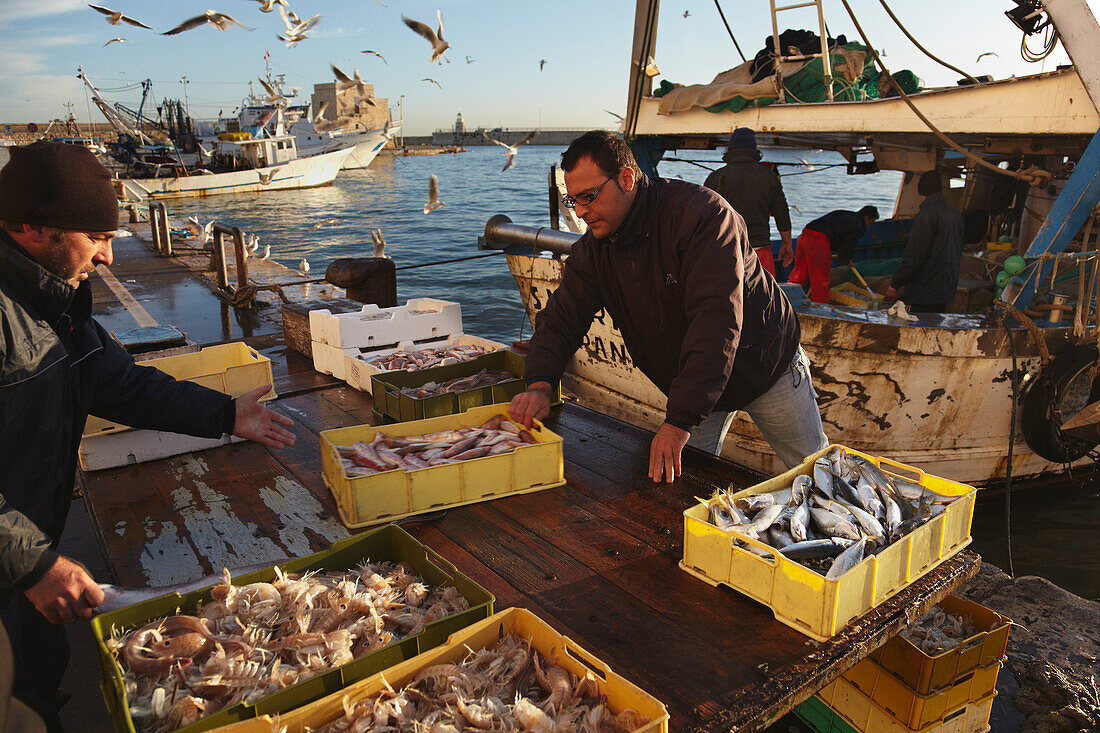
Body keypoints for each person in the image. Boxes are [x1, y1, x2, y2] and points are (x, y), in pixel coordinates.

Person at [0, 141, 297, 731]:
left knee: (38, 682)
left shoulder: (56, 305)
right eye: (96, 238)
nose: (110, 257)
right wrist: (32, 566)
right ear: (33, 229)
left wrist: (225, 413)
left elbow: (126, 386)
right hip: (18, 562)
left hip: (24, 561)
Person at [508, 130, 828, 484]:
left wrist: (677, 422)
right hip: (695, 379)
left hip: (764, 362)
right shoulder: (594, 251)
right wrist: (539, 382)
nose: (581, 213)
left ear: (627, 179)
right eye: (573, 201)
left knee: (816, 472)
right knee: (688, 482)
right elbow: (561, 319)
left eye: (589, 197)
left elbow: (715, 323)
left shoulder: (703, 218)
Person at [703, 128, 793, 276]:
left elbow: (703, 217)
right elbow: (781, 213)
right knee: (764, 297)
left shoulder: (715, 177)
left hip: (725, 251)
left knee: (728, 297)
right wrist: (787, 244)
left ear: (730, 150)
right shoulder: (769, 177)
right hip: (759, 252)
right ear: (754, 149)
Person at [886, 171, 964, 313]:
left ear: (921, 190)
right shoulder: (955, 214)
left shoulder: (927, 213)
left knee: (917, 326)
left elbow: (916, 254)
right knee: (934, 326)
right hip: (946, 286)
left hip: (925, 289)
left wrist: (895, 283)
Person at [788, 205, 879, 303]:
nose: (869, 226)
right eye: (870, 223)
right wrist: (847, 261)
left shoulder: (845, 214)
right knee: (820, 280)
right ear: (866, 217)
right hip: (819, 241)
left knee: (799, 272)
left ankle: (787, 299)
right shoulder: (859, 225)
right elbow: (846, 248)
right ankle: (821, 310)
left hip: (804, 235)